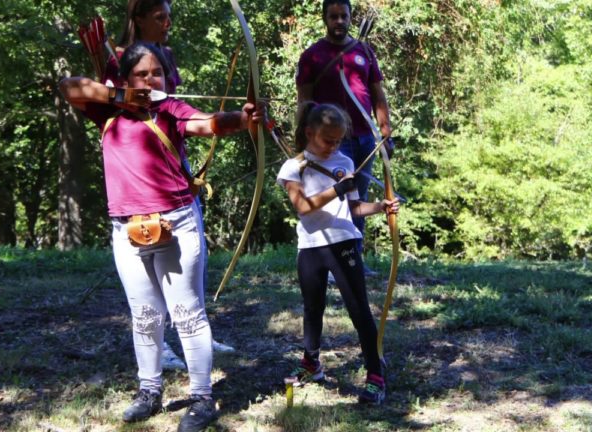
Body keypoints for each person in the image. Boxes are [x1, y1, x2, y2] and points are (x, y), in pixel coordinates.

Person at [59, 42, 264, 429]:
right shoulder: (108, 110)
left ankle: (202, 398)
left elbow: (208, 123)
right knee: (145, 315)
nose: (151, 80)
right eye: (142, 74)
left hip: (177, 222)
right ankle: (149, 391)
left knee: (187, 313)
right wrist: (119, 96)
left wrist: (243, 119)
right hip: (127, 228)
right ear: (126, 78)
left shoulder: (170, 109)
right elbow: (69, 86)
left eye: (157, 74)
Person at [110, 0, 236, 370]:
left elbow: (190, 117)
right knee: (145, 289)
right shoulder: (119, 59)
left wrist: (238, 120)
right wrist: (122, 96)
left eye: (169, 16)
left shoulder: (167, 57)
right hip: (135, 179)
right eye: (160, 16)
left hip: (170, 167)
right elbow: (82, 94)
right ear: (139, 19)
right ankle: (160, 348)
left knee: (186, 267)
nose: (168, 23)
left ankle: (197, 335)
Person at [276, 102, 399, 405]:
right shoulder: (294, 167)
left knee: (358, 307)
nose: (333, 146)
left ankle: (375, 373)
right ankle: (311, 364)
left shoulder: (344, 161)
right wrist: (337, 189)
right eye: (327, 140)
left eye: (338, 140)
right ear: (309, 132)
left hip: (343, 241)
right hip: (311, 246)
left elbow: (355, 207)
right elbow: (303, 206)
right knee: (312, 307)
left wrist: (381, 207)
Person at [296, 0, 393, 276]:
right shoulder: (312, 56)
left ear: (351, 18)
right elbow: (304, 101)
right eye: (334, 16)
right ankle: (328, 264)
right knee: (332, 201)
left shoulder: (364, 51)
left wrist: (385, 131)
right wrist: (304, 141)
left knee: (357, 198)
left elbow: (377, 94)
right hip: (331, 142)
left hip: (365, 139)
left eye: (344, 16)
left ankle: (354, 263)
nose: (339, 21)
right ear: (325, 19)